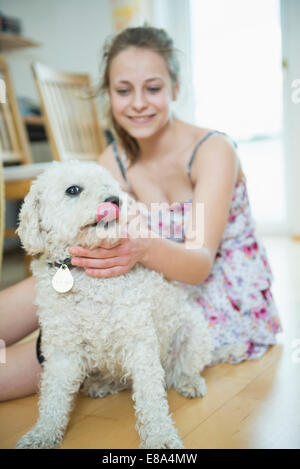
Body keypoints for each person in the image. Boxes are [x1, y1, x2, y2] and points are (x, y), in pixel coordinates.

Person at [0, 25, 282, 402]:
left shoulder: (213, 151)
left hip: (204, 294)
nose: (138, 103)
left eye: (152, 88)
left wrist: (141, 250)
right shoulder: (112, 161)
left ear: (175, 89)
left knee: (74, 337)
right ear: (109, 95)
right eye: (123, 90)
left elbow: (199, 264)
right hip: (136, 278)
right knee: (53, 281)